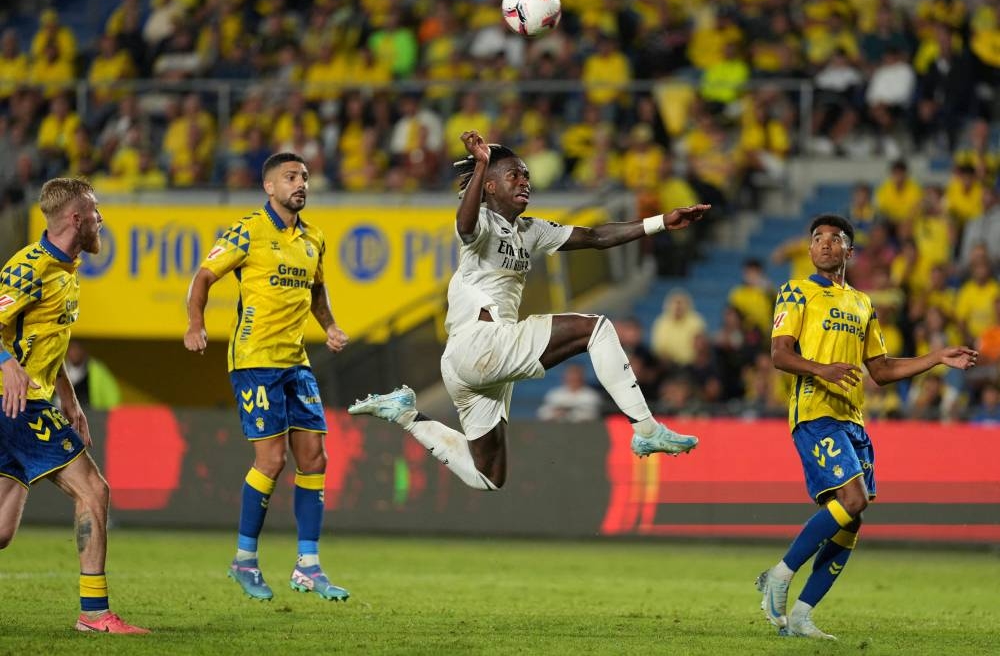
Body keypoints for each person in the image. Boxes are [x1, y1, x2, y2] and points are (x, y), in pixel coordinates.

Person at [348, 130, 710, 491]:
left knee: (487, 476)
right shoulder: (482, 224)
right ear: (489, 186)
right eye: (514, 175)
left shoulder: (531, 230)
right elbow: (464, 224)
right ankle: (646, 430)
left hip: (470, 363)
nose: (524, 181)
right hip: (481, 343)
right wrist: (481, 165)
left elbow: (597, 237)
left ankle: (406, 413)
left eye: (527, 176)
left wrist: (662, 221)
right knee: (595, 329)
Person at [756, 214, 977, 640]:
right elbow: (780, 355)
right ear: (809, 249)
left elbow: (881, 369)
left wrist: (935, 358)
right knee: (853, 500)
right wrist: (823, 370)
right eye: (816, 238)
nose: (823, 244)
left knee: (851, 520)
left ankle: (801, 616)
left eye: (833, 239)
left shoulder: (862, 303)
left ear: (849, 251)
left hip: (853, 418)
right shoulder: (795, 292)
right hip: (814, 411)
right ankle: (779, 576)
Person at [183, 152, 350, 602]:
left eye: (305, 177)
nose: (301, 184)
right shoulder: (248, 230)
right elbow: (203, 277)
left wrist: (329, 325)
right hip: (255, 360)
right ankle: (244, 559)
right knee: (272, 461)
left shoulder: (314, 237)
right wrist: (196, 324)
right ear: (269, 187)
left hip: (296, 361)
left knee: (315, 458)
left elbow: (316, 289)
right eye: (291, 177)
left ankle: (308, 567)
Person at [0, 178, 148, 634]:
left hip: (31, 400)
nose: (102, 218)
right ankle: (95, 613)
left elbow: (46, 344)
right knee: (93, 490)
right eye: (97, 211)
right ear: (76, 218)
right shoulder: (31, 267)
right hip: (16, 403)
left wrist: (69, 397)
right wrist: (7, 363)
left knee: (1, 531)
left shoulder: (67, 271)